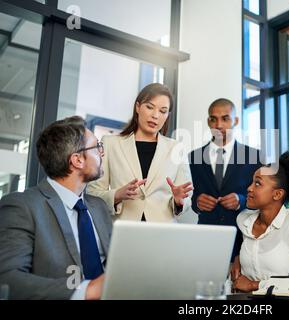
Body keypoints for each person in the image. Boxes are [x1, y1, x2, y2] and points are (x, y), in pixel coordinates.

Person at [0, 116, 111, 300]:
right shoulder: (21, 207)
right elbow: (7, 280)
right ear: (77, 160)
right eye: (97, 146)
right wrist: (87, 291)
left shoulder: (99, 207)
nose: (102, 153)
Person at [87, 83, 192, 222]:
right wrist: (117, 194)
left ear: (168, 115)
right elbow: (92, 194)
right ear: (138, 107)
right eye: (149, 107)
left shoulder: (176, 149)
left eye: (163, 111)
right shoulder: (110, 143)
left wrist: (179, 201)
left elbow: (187, 196)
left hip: (162, 233)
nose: (155, 115)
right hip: (123, 231)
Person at [189, 98, 262, 264]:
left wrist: (241, 200)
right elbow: (189, 196)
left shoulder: (254, 157)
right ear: (208, 121)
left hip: (242, 239)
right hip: (205, 240)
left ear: (235, 121)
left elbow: (261, 198)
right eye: (213, 119)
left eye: (225, 118)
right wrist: (197, 202)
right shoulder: (193, 157)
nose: (219, 125)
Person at [232, 151, 289, 293]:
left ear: (277, 194)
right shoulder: (244, 220)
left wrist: (255, 285)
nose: (249, 188)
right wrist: (238, 258)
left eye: (257, 183)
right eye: (252, 182)